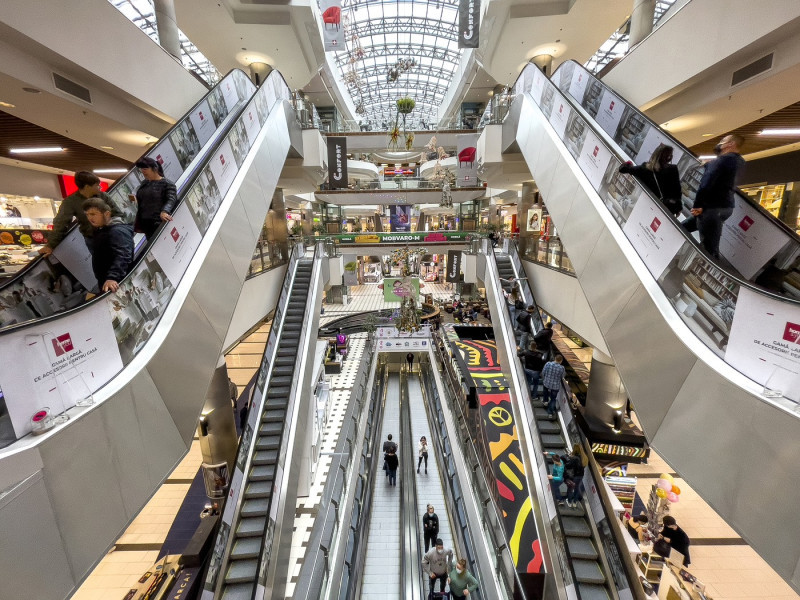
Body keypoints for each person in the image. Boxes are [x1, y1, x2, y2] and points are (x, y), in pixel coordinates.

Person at [682, 134, 745, 259]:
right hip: (726, 208)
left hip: (710, 209)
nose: (720, 143)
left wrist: (698, 206)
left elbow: (705, 185)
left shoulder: (720, 161)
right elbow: (725, 178)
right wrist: (709, 166)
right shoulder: (740, 162)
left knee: (709, 249)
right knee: (682, 228)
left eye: (723, 141)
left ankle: (716, 274)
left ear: (731, 144)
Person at [40, 171, 127, 256]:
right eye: (96, 185)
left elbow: (117, 213)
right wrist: (50, 245)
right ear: (87, 187)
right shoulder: (71, 202)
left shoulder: (103, 196)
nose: (99, 187)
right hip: (93, 240)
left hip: (111, 235)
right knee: (102, 264)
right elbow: (60, 224)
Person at [82, 197, 134, 293]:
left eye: (93, 214)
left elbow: (124, 255)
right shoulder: (102, 230)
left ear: (106, 214)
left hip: (117, 284)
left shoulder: (117, 231)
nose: (90, 218)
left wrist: (112, 277)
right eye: (87, 215)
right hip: (109, 283)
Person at [619, 144, 683, 217]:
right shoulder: (673, 169)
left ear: (655, 155)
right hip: (666, 209)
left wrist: (629, 164)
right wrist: (678, 208)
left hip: (649, 207)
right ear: (669, 158)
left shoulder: (644, 169)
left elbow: (622, 169)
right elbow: (678, 191)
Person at [134, 157, 178, 240]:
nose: (143, 171)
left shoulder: (167, 184)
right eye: (141, 169)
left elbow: (171, 198)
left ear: (154, 169)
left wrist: (165, 211)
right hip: (146, 223)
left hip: (158, 223)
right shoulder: (145, 183)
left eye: (145, 168)